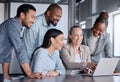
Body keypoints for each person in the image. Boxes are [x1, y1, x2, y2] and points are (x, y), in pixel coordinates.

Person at [0, 4, 37, 79]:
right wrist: (29, 73)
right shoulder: (12, 25)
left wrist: (6, 75)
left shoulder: (13, 26)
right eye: (32, 17)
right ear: (22, 15)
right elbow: (20, 49)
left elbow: (6, 53)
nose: (33, 21)